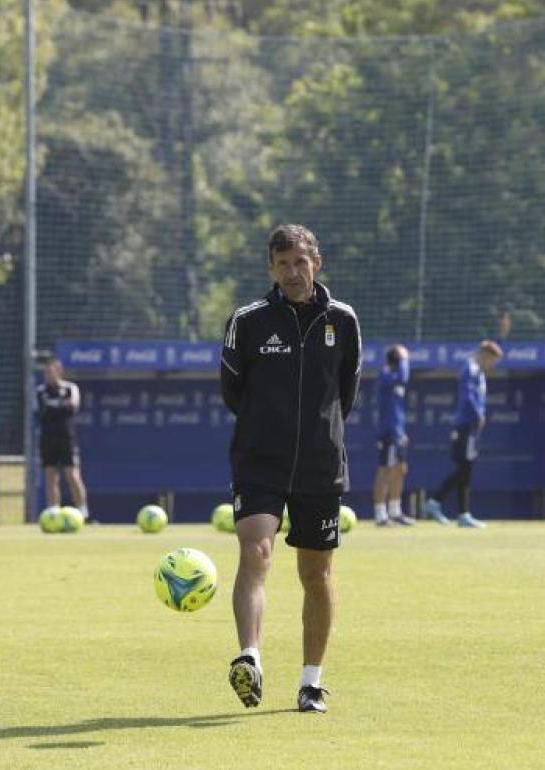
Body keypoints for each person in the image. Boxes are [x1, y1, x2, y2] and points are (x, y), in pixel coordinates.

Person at [219, 223, 361, 714]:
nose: (293, 273)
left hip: (321, 466)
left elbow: (347, 392)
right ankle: (249, 659)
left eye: (300, 262)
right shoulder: (248, 321)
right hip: (261, 461)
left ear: (316, 263)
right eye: (283, 265)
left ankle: (310, 682)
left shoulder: (343, 321)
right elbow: (232, 391)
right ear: (271, 270)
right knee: (256, 551)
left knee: (316, 573)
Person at [421, 340, 504, 529]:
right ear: (485, 354)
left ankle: (463, 514)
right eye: (492, 361)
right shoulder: (471, 368)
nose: (492, 366)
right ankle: (434, 502)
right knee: (464, 467)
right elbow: (467, 395)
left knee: (466, 469)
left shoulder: (477, 370)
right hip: (466, 425)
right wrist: (478, 414)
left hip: (471, 427)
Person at [36, 358, 89, 521]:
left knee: (72, 474)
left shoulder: (70, 388)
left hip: (66, 438)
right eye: (45, 372)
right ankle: (53, 512)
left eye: (51, 371)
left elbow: (72, 407)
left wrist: (57, 406)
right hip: (48, 438)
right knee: (51, 475)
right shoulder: (41, 390)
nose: (48, 375)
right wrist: (60, 406)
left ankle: (83, 513)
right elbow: (44, 410)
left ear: (59, 372)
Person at [372, 344, 413, 527]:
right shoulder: (387, 373)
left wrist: (401, 432)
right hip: (388, 432)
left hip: (397, 431)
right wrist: (404, 358)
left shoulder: (394, 375)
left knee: (401, 469)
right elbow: (404, 377)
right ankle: (381, 515)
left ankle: (395, 511)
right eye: (403, 358)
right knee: (385, 470)